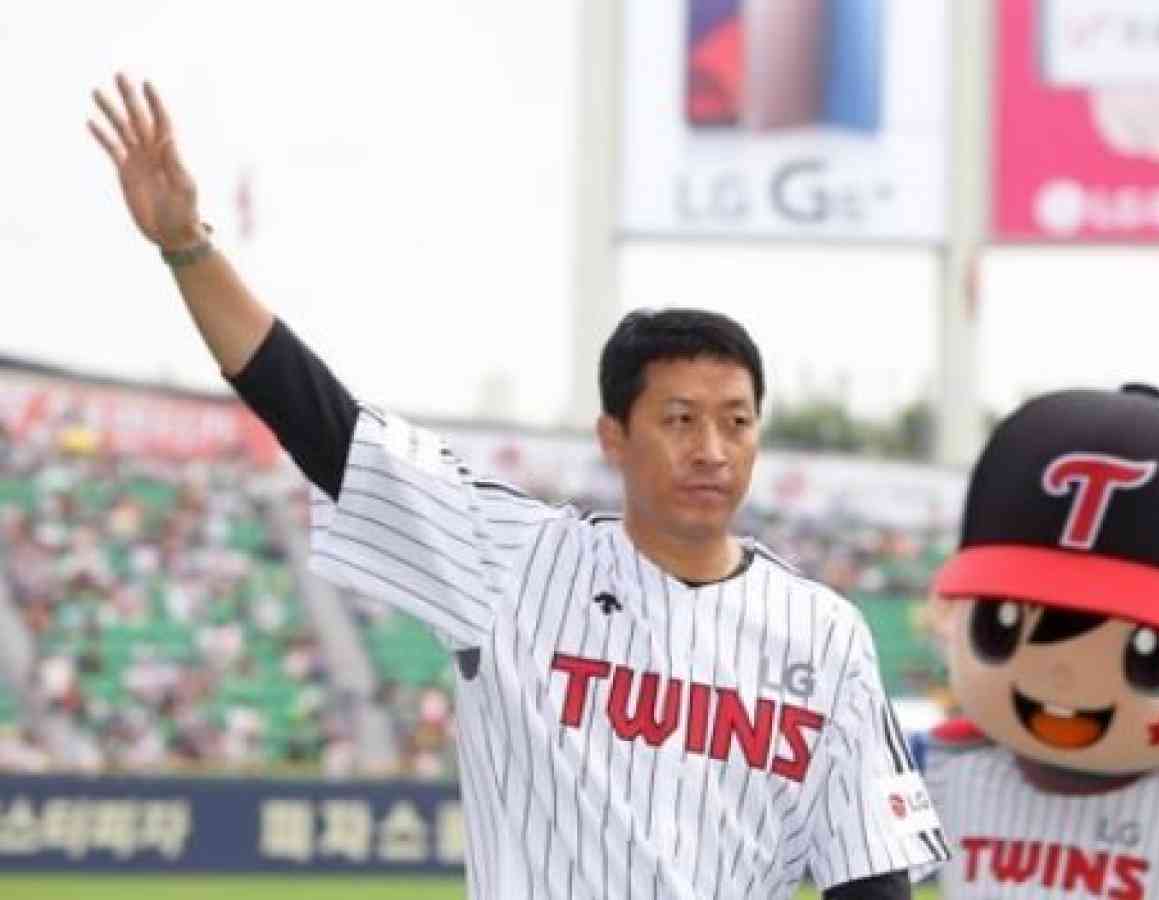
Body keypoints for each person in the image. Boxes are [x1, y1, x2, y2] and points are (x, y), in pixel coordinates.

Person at [88, 72, 947, 899]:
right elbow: (321, 423)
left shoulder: (825, 633)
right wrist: (188, 246)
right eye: (680, 420)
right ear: (614, 437)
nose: (712, 449)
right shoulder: (513, 560)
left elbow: (868, 873)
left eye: (737, 420)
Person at [922, 384, 1159, 898]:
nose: (1063, 675)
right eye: (999, 629)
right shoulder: (944, 768)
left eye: (1152, 657)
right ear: (949, 613)